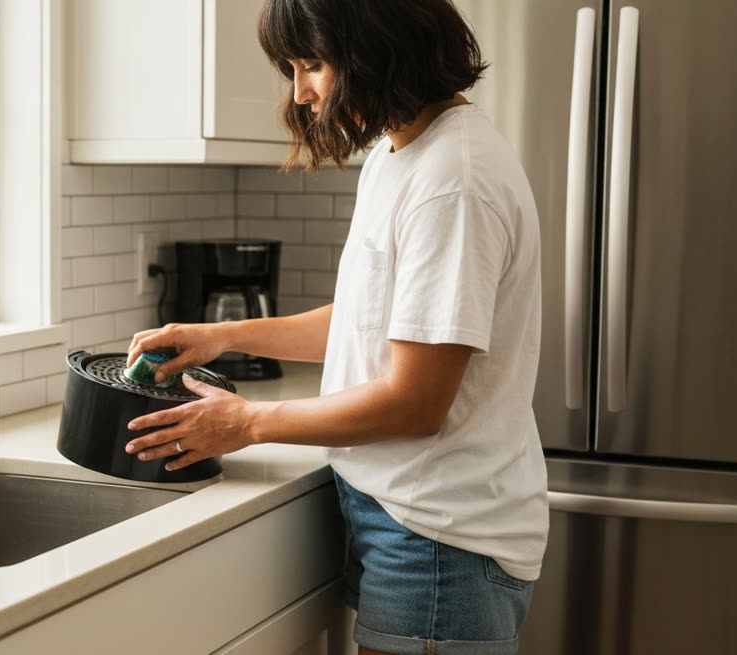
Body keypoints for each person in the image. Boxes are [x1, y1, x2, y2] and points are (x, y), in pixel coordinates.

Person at [123, 1, 548, 653]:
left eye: (313, 63)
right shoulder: (398, 152)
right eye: (292, 68)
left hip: (437, 541)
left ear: (381, 44)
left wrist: (249, 422)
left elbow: (415, 402)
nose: (300, 93)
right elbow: (366, 321)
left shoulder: (451, 181)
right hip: (403, 521)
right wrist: (223, 335)